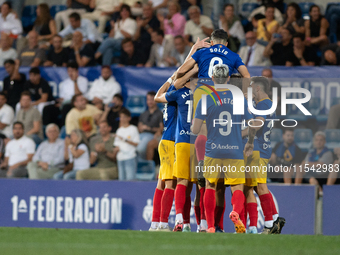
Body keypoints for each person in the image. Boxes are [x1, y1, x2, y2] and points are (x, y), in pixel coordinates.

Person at [191, 64, 254, 233]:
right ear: (228, 79)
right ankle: (235, 212)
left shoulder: (206, 99)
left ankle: (211, 226)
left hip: (213, 150)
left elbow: (195, 130)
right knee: (237, 187)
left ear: (212, 79)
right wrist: (248, 141)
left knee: (210, 186)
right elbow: (253, 124)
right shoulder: (239, 98)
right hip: (234, 149)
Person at [247, 76, 285, 234]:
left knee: (259, 186)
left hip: (259, 150)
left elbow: (258, 124)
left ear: (257, 88)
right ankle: (275, 218)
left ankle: (270, 223)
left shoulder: (263, 104)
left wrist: (244, 127)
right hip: (264, 148)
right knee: (258, 185)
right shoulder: (269, 104)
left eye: (251, 88)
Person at [149, 71, 177, 231]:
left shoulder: (168, 98)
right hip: (171, 143)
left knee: (161, 183)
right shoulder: (176, 96)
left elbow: (160, 93)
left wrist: (170, 79)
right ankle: (163, 223)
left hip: (165, 141)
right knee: (170, 184)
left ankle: (154, 223)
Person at [178, 29, 250, 81]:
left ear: (211, 43)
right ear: (226, 44)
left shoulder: (201, 52)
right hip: (222, 94)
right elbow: (246, 76)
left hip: (202, 92)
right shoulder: (234, 56)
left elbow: (181, 71)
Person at [43, 61, 88, 127]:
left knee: (66, 107)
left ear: (77, 71)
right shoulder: (64, 83)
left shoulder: (83, 80)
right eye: (69, 71)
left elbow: (78, 95)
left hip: (76, 103)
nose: (70, 73)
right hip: (64, 103)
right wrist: (59, 102)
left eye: (72, 71)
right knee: (47, 108)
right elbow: (62, 97)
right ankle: (48, 129)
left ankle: (64, 128)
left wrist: (75, 81)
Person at [113, 109, 140, 180]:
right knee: (121, 180)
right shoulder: (119, 130)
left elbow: (136, 143)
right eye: (121, 117)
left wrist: (124, 139)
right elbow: (116, 144)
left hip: (130, 157)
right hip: (120, 158)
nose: (122, 119)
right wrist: (116, 149)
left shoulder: (133, 129)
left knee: (130, 180)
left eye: (124, 117)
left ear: (129, 118)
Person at [137, 91, 163, 160]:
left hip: (152, 135)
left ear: (156, 101)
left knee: (140, 148)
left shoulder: (160, 114)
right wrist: (140, 128)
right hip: (141, 135)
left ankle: (146, 165)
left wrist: (148, 128)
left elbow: (161, 128)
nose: (150, 102)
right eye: (148, 100)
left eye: (152, 100)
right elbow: (139, 127)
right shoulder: (143, 114)